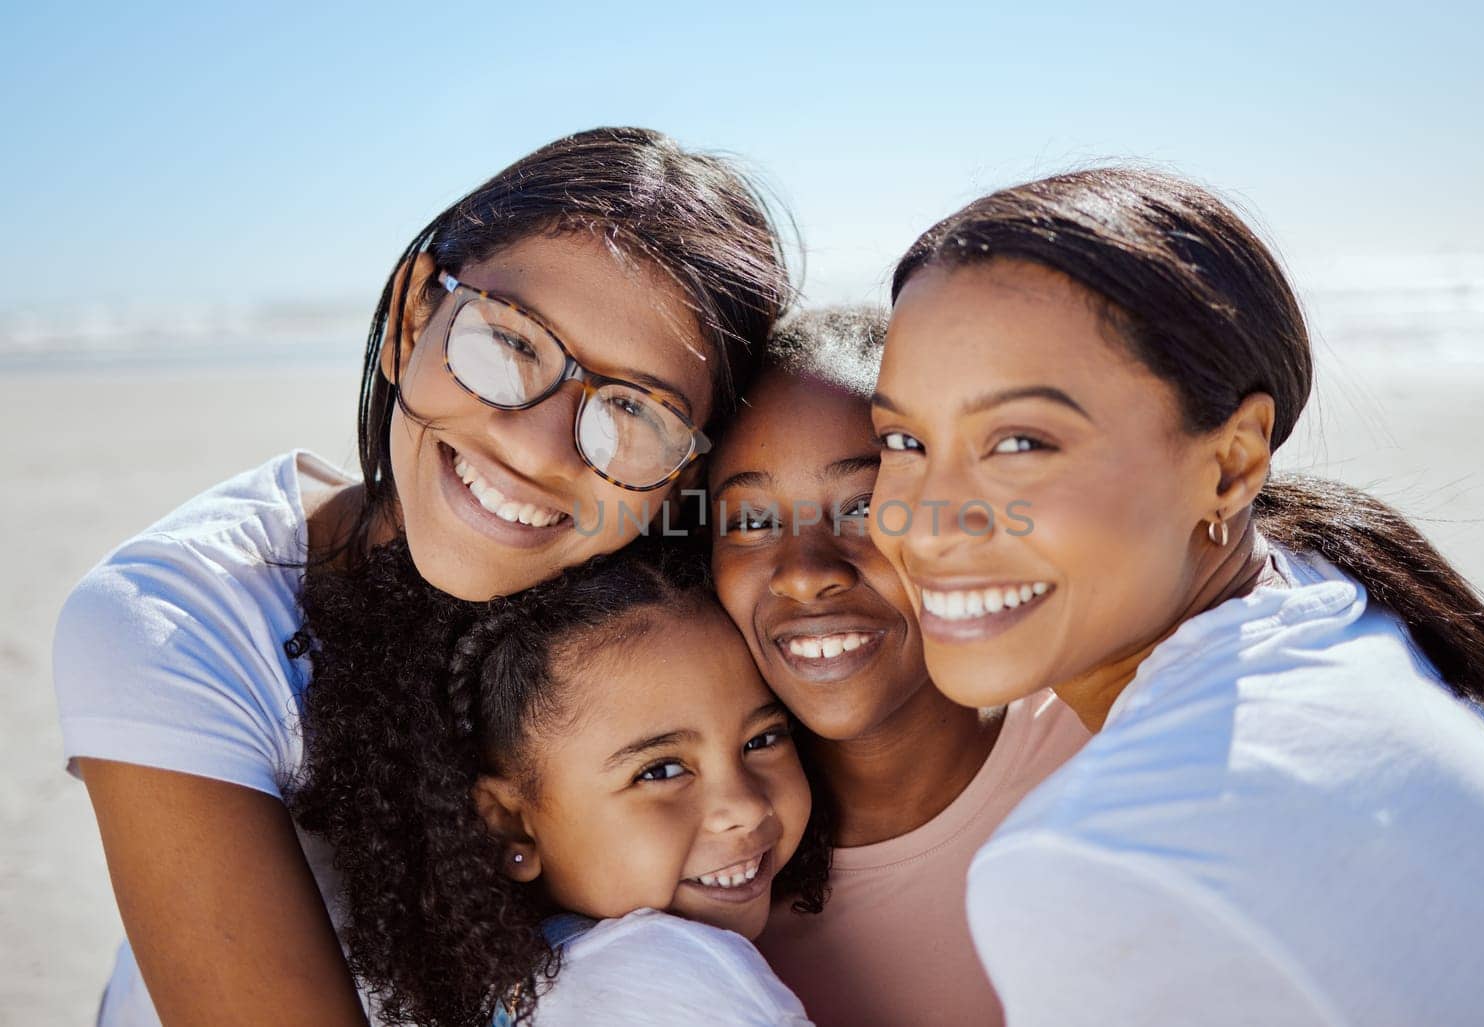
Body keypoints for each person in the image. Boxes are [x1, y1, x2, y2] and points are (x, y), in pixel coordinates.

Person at [51, 126, 791, 1026]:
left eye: (634, 408)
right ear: (413, 319)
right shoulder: (177, 618)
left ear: (684, 468)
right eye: (511, 344)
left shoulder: (682, 602)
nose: (535, 444)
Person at [868, 168, 1484, 1025]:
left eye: (1021, 441)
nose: (923, 523)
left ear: (1234, 462)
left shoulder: (1096, 854)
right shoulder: (1333, 591)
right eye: (904, 438)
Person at [708, 307, 1090, 1025]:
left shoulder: (1104, 742)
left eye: (862, 506)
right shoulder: (716, 873)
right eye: (752, 522)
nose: (803, 573)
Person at [289, 539, 819, 1027]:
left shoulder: (510, 991)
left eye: (763, 739)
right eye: (659, 771)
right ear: (512, 826)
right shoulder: (674, 976)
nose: (744, 806)